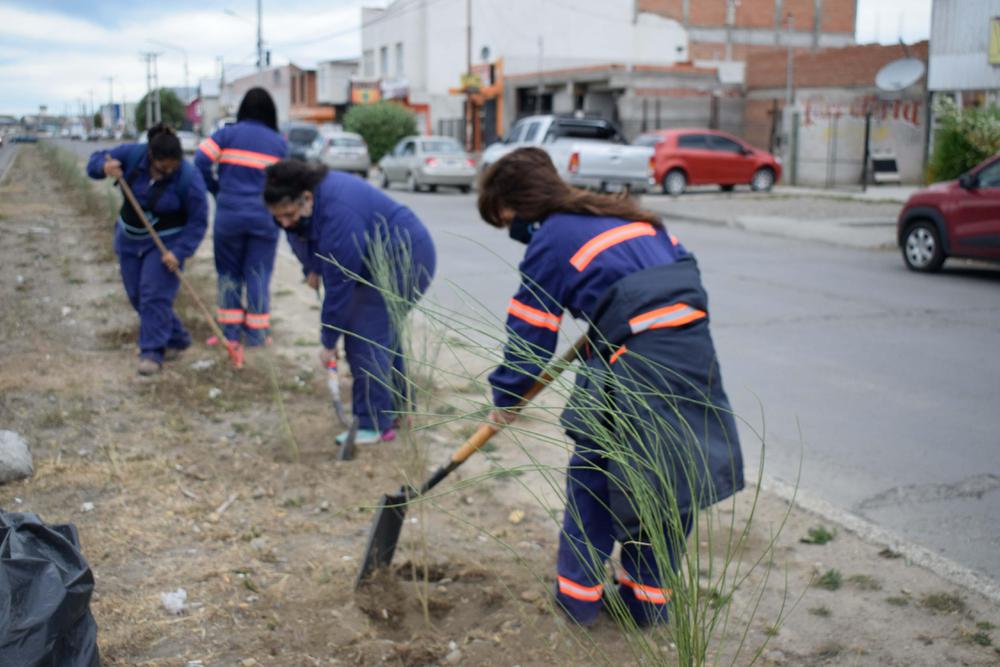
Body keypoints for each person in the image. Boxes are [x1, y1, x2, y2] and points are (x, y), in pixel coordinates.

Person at [478, 147, 744, 627]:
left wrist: (507, 397)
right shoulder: (632, 217)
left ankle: (578, 603)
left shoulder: (553, 237)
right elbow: (674, 281)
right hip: (691, 355)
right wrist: (613, 320)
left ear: (518, 203)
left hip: (633, 363)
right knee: (667, 477)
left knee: (594, 479)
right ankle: (646, 606)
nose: (512, 231)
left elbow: (529, 332)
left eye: (507, 218)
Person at [263, 160, 436, 445]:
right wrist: (311, 268)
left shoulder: (338, 211)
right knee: (380, 333)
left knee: (364, 333)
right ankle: (398, 409)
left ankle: (374, 423)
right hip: (371, 261)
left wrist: (328, 340)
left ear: (306, 198)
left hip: (406, 258)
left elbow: (339, 286)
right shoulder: (303, 209)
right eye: (277, 217)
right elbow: (300, 236)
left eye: (289, 214)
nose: (284, 222)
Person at [87, 123, 209, 375]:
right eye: (163, 168)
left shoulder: (189, 177)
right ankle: (177, 338)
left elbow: (198, 221)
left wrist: (180, 252)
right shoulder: (132, 155)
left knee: (154, 295)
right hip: (129, 238)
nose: (168, 172)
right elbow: (96, 161)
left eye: (172, 168)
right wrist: (103, 167)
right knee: (137, 296)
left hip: (165, 243)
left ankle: (152, 352)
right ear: (151, 157)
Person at [195, 87, 287, 355]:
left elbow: (201, 158)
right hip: (264, 218)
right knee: (258, 274)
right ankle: (257, 335)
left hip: (230, 215)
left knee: (228, 274)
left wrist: (215, 189)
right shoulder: (278, 142)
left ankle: (230, 335)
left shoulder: (228, 134)